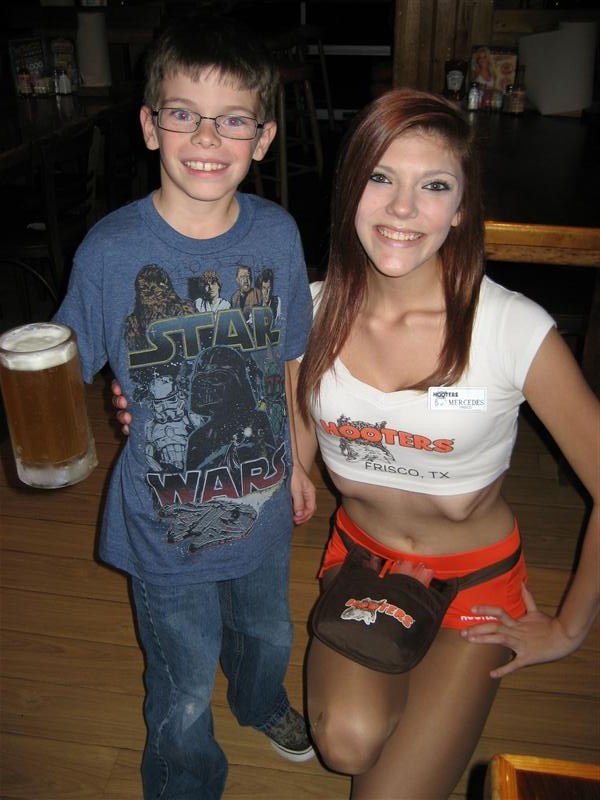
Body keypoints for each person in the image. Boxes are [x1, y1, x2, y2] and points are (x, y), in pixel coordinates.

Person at [288, 88, 599, 798]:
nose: (402, 209)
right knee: (345, 742)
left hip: (476, 585)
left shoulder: (512, 330)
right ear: (350, 188)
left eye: (433, 186)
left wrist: (568, 629)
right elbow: (293, 454)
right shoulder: (307, 313)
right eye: (380, 177)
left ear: (461, 208)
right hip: (361, 564)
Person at [54, 13, 317, 800]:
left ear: (263, 139)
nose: (207, 137)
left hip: (264, 501)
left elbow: (291, 359)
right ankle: (184, 781)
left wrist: (301, 459)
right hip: (163, 523)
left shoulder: (278, 235)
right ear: (149, 126)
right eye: (183, 113)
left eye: (233, 119)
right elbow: (61, 365)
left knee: (268, 629)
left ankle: (260, 701)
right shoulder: (109, 252)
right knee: (182, 678)